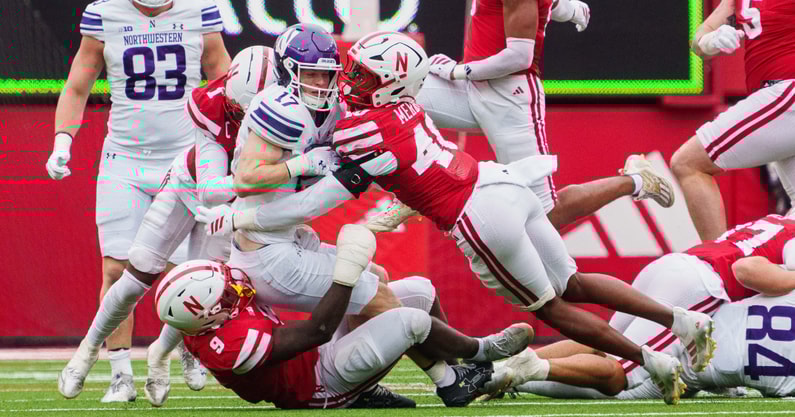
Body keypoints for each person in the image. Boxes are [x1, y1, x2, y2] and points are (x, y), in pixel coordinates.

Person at [196, 31, 716, 405]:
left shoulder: (355, 129)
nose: (347, 80)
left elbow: (322, 193)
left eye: (360, 75)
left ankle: (652, 360)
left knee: (552, 309)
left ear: (383, 86)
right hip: (497, 183)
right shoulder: (405, 104)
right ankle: (682, 321)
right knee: (571, 282)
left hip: (476, 213)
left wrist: (256, 205)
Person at [49, 0, 230, 402]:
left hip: (185, 158)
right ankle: (120, 374)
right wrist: (63, 139)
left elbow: (225, 77)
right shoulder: (104, 13)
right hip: (124, 159)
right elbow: (78, 83)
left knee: (188, 271)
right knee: (116, 269)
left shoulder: (199, 10)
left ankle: (183, 347)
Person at [155, 225, 530, 408]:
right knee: (408, 322)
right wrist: (345, 273)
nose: (233, 284)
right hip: (318, 384)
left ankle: (457, 374)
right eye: (223, 291)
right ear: (208, 314)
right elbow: (317, 331)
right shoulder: (230, 344)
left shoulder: (202, 320)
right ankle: (480, 352)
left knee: (420, 290)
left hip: (313, 360)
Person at [415, 0, 674, 231]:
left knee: (546, 214)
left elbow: (519, 58)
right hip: (473, 87)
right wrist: (571, 9)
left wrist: (456, 71)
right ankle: (418, 184)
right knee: (396, 95)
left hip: (509, 96)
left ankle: (636, 181)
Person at [480, 213, 795, 399]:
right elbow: (746, 270)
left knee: (601, 345)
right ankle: (532, 369)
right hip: (699, 286)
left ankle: (495, 369)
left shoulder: (778, 221)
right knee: (624, 375)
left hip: (678, 266)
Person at [670, 0, 795, 242]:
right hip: (778, 101)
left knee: (688, 163)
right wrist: (710, 41)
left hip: (786, 91)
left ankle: (718, 270)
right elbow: (698, 41)